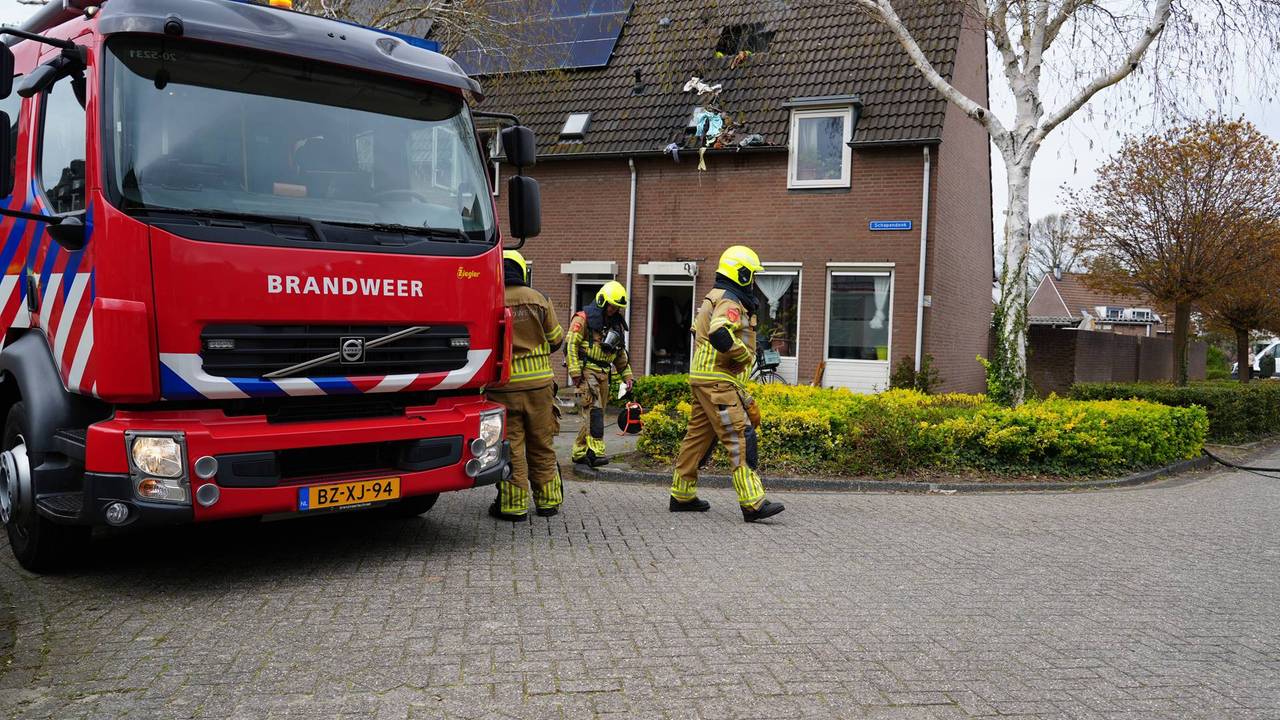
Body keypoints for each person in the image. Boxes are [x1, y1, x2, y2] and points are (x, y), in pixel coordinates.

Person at [670, 245, 784, 523]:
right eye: (752, 275)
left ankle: (682, 495)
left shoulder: (715, 295)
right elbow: (719, 332)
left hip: (703, 378)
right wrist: (743, 355)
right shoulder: (731, 300)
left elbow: (701, 332)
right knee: (740, 437)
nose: (753, 282)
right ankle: (753, 503)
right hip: (718, 382)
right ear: (741, 274)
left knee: (697, 439)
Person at [485, 250, 565, 521]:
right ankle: (548, 502)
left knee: (511, 447)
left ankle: (513, 506)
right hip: (539, 387)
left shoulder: (490, 299)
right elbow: (556, 339)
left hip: (502, 388)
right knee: (542, 443)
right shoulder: (539, 298)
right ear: (521, 271)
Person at [567, 280, 634, 467]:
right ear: (602, 301)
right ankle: (596, 452)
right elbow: (570, 345)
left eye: (617, 307)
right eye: (612, 306)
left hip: (605, 373)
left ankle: (579, 452)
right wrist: (575, 372)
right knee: (594, 412)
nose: (614, 310)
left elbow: (620, 354)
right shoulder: (583, 319)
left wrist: (627, 376)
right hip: (587, 371)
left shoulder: (616, 324)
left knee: (593, 413)